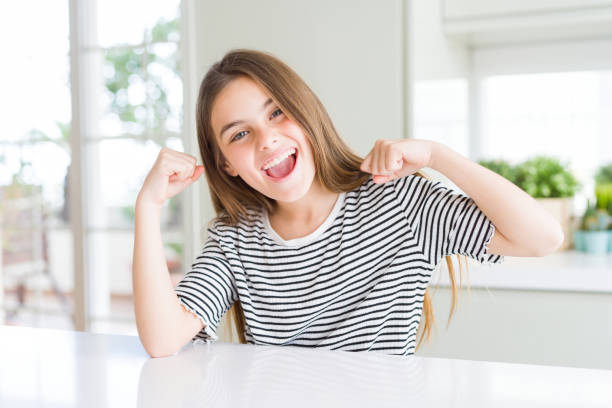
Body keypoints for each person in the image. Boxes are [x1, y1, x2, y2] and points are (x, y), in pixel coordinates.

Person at [132, 49, 564, 358]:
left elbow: (542, 238)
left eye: (277, 112)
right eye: (239, 134)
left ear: (306, 111)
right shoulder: (234, 239)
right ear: (226, 165)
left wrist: (437, 155)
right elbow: (162, 339)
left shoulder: (399, 201)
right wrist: (147, 208)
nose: (268, 140)